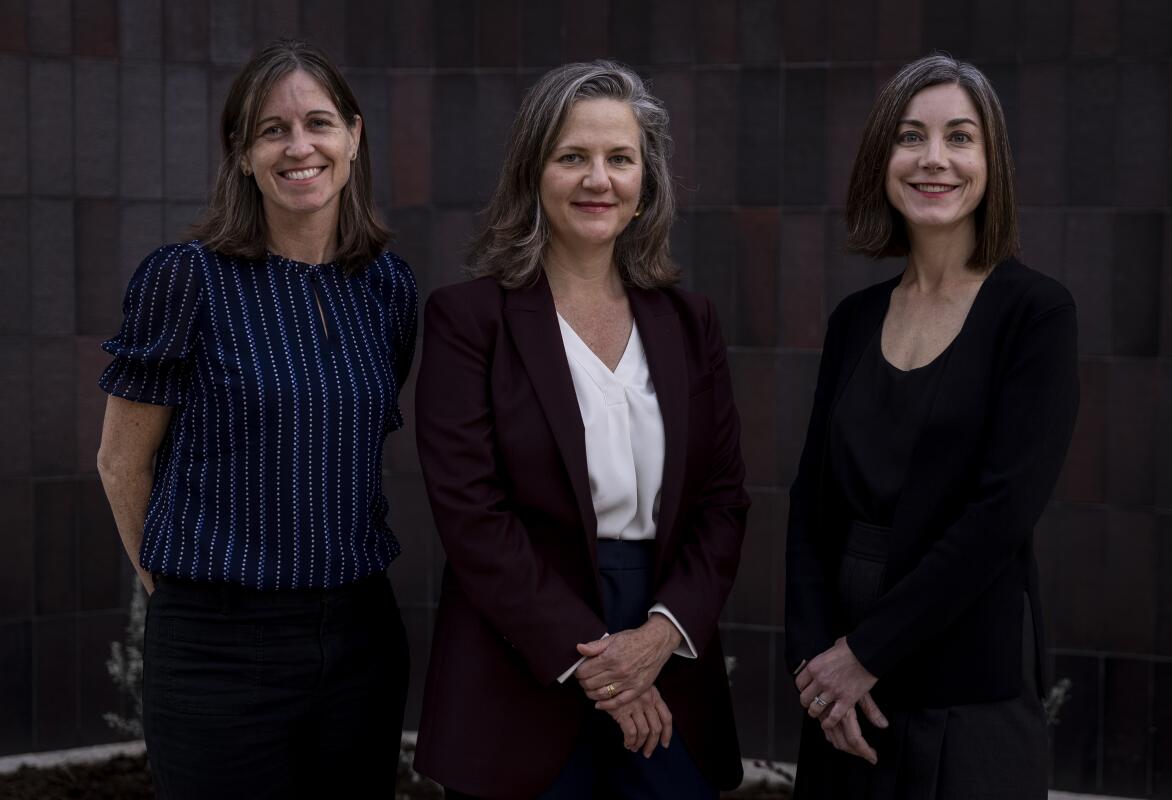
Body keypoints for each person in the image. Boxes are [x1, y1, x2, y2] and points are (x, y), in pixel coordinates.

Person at [413, 60, 749, 799]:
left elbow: (724, 501)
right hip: (519, 662)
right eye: (573, 157)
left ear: (644, 184)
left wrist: (659, 637)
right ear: (534, 174)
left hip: (671, 661)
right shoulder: (469, 320)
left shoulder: (690, 325)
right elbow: (471, 513)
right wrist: (604, 667)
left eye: (619, 159)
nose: (598, 178)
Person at [94, 39, 417, 800]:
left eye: (318, 123)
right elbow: (120, 463)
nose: (299, 146)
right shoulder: (185, 280)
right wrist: (176, 589)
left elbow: (352, 435)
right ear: (241, 155)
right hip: (217, 647)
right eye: (272, 130)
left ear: (353, 137)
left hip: (359, 639)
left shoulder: (386, 287)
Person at [784, 53, 1079, 798]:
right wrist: (821, 661)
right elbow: (810, 507)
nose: (934, 160)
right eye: (911, 137)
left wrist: (866, 653)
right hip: (842, 692)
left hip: (963, 680)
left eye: (960, 137)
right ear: (883, 159)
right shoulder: (853, 321)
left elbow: (1000, 514)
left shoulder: (1035, 314)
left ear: (992, 162)